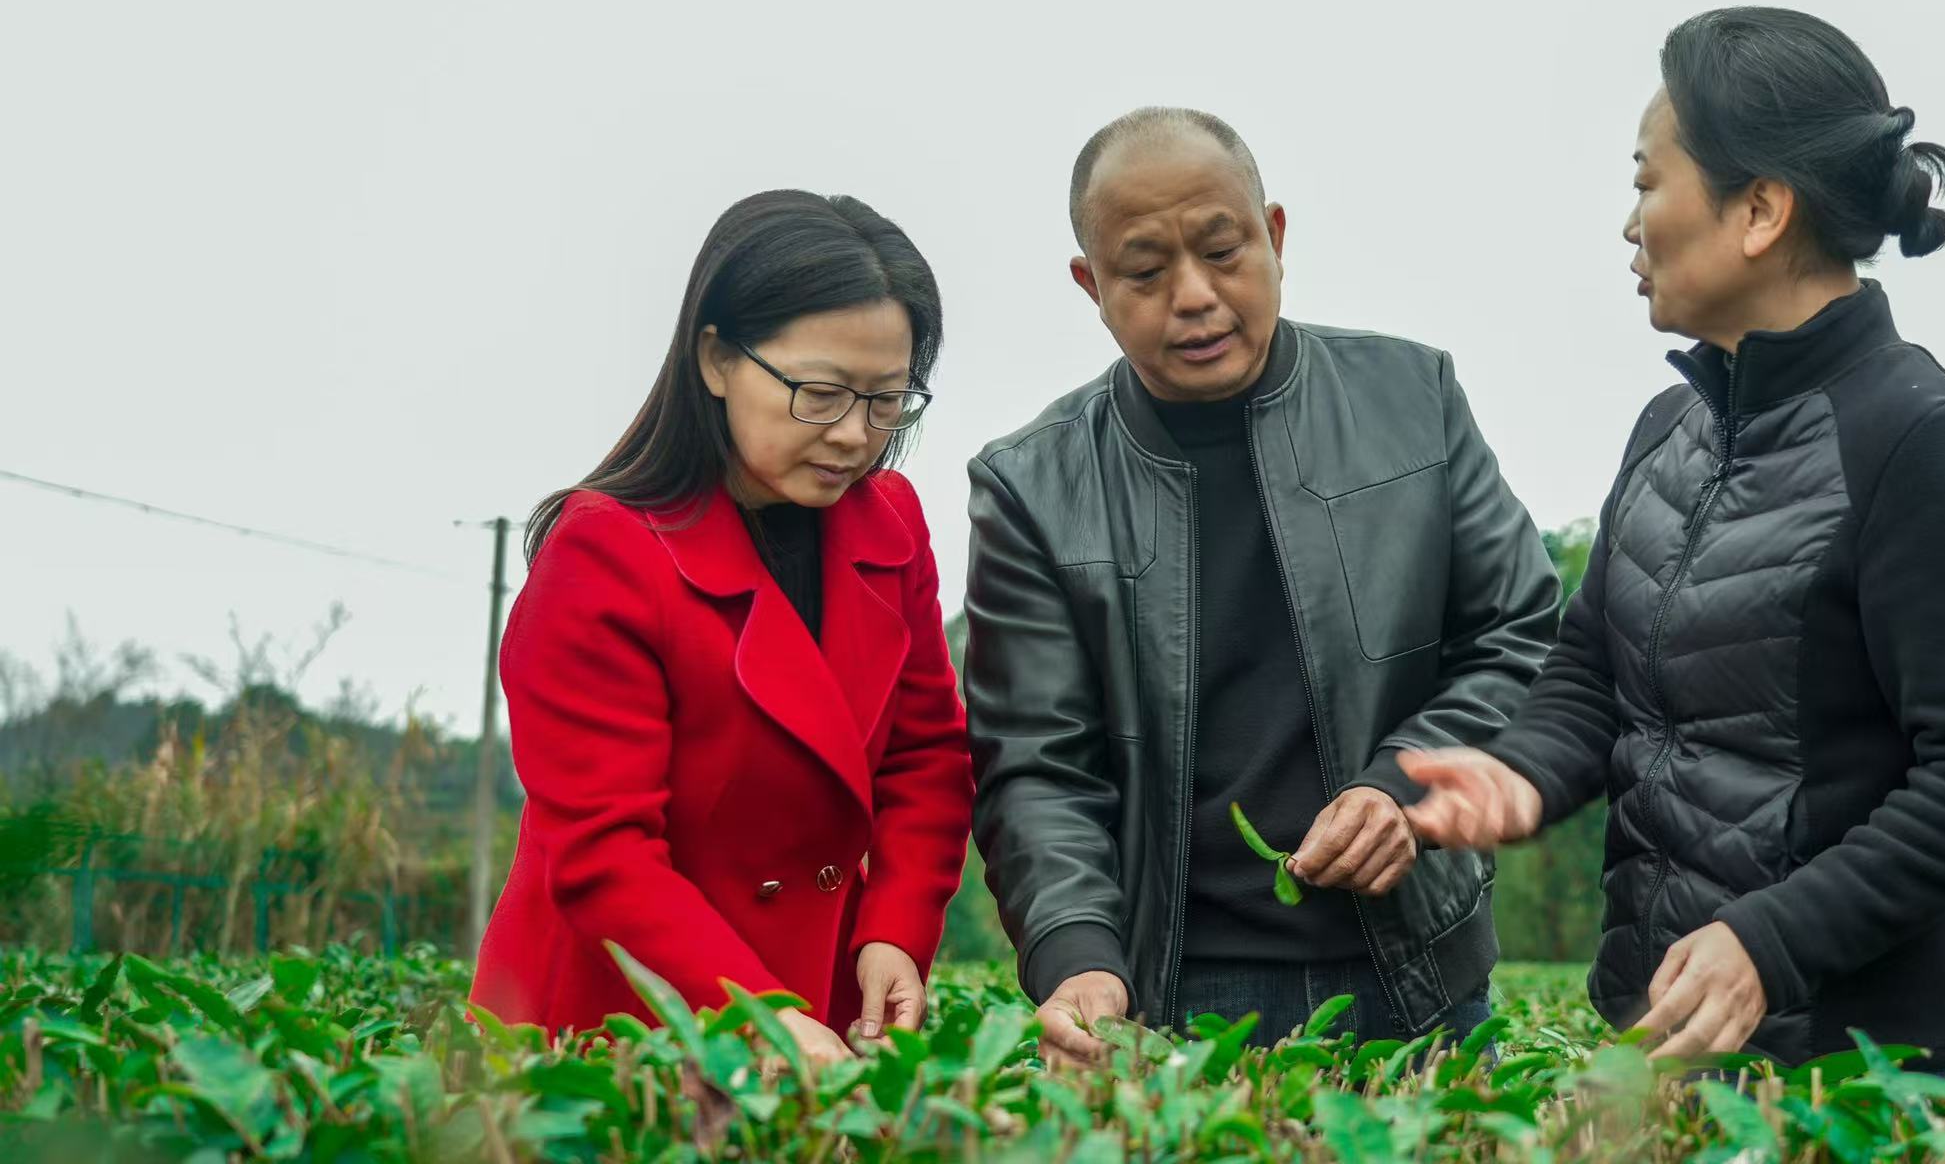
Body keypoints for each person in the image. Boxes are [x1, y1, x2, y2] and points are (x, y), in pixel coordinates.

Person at [1400, 8, 1945, 1080]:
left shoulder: (1925, 444)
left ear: (1759, 210)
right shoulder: (1670, 429)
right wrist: (1520, 775)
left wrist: (1772, 940)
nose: (1630, 225)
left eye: (1647, 182)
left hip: (1876, 1070)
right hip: (1677, 1035)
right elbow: (1592, 669)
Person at [964, 107, 1563, 1064]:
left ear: (1274, 235)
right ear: (1091, 286)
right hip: (1173, 999)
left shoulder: (1413, 400)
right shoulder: (1032, 486)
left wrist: (1405, 786)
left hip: (1421, 979)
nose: (1195, 297)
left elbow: (1520, 638)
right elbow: (1038, 767)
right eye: (1145, 272)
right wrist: (1077, 955)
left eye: (1222, 251)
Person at [470, 191, 973, 1068]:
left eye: (888, 400)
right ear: (716, 358)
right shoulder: (604, 554)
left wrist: (895, 929)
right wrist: (755, 1017)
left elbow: (924, 757)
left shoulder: (888, 524)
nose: (855, 435)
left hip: (814, 1013)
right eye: (820, 394)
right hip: (632, 1022)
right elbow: (604, 854)